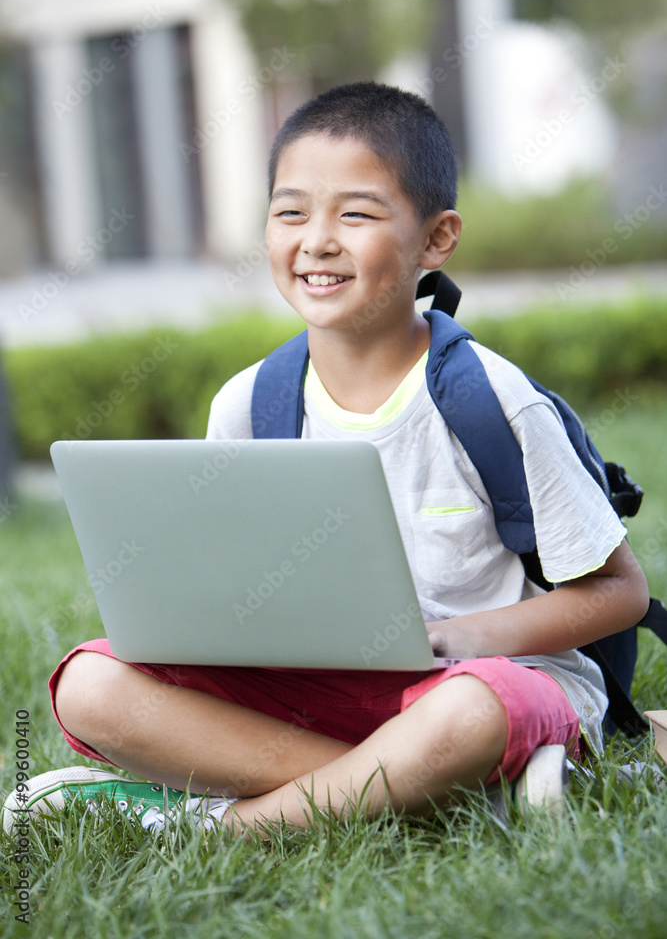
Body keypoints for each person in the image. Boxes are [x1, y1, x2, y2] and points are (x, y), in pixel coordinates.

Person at [3, 83, 649, 836]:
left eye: (356, 213)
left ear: (436, 239)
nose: (316, 239)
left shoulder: (490, 402)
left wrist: (466, 637)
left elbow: (618, 592)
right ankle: (418, 787)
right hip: (336, 690)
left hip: (489, 685)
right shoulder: (249, 403)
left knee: (468, 713)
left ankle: (217, 824)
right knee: (87, 683)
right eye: (289, 212)